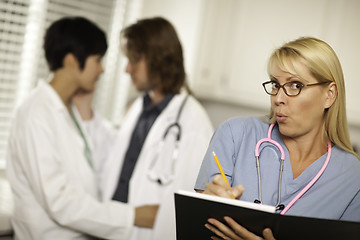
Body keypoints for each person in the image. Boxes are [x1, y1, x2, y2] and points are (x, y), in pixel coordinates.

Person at [6, 16, 157, 240]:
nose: (102, 70)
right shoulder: (36, 114)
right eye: (97, 60)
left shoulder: (68, 110)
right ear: (71, 61)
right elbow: (60, 202)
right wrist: (132, 216)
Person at [194, 37, 360, 239]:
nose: (278, 99)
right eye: (275, 84)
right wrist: (205, 204)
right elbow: (197, 228)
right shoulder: (234, 134)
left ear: (329, 94)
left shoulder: (353, 177)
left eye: (295, 85)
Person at [82, 17, 214, 240]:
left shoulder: (194, 123)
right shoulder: (137, 108)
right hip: (112, 229)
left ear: (158, 58)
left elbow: (187, 211)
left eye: (134, 60)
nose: (127, 69)